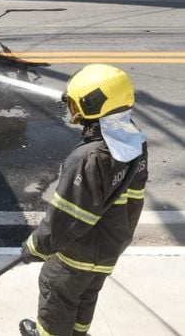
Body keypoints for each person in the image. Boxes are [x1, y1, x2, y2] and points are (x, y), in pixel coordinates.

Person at [19, 64, 148, 336]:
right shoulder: (134, 141)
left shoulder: (89, 158)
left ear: (95, 105)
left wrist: (36, 246)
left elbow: (68, 217)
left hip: (80, 252)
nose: (73, 113)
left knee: (57, 295)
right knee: (85, 297)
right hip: (110, 247)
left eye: (77, 106)